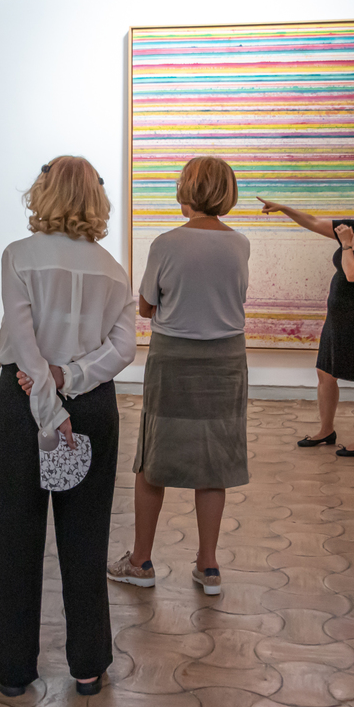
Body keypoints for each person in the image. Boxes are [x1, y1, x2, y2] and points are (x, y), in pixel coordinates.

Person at [0, 156, 136, 698]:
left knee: (13, 535)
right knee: (87, 535)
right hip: (92, 404)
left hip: (23, 401)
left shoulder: (18, 256)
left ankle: (11, 666)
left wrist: (50, 403)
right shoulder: (114, 270)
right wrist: (71, 379)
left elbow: (28, 351)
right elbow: (123, 349)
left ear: (43, 193)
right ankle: (89, 664)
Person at [107, 156, 251, 597]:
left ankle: (141, 561)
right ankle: (208, 566)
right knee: (215, 462)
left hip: (174, 358)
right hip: (227, 359)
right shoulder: (240, 243)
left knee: (154, 460)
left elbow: (146, 305)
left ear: (187, 188)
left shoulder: (166, 243)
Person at [256, 187, 354, 455]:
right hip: (338, 317)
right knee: (325, 373)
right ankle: (326, 430)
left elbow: (352, 273)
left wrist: (346, 244)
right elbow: (312, 221)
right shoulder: (353, 228)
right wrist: (283, 208)